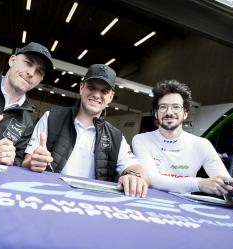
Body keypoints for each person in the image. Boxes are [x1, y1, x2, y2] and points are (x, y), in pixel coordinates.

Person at [22, 64, 150, 197]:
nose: (96, 95)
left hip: (90, 204)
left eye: (104, 91)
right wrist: (34, 162)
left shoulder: (116, 137)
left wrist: (135, 177)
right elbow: (26, 161)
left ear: (111, 97)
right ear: (81, 87)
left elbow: (139, 171)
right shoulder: (51, 118)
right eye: (92, 87)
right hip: (48, 194)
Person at [132, 80, 233, 206]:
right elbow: (151, 179)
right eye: (163, 107)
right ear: (156, 112)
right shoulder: (141, 140)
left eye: (176, 107)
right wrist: (199, 184)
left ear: (185, 113)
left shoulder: (201, 144)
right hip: (147, 203)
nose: (169, 112)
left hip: (182, 209)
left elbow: (225, 182)